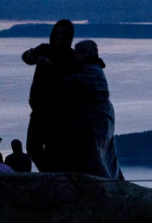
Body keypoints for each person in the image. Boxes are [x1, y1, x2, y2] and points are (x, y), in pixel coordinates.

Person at [60, 40, 122, 179]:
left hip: (98, 116)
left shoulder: (92, 70)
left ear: (86, 54)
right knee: (107, 154)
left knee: (93, 152)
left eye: (78, 53)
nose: (75, 56)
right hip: (100, 115)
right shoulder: (90, 69)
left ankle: (107, 185)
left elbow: (76, 84)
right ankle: (114, 182)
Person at [22, 19, 75, 171]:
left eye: (63, 33)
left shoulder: (71, 56)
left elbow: (71, 76)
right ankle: (49, 174)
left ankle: (53, 176)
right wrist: (32, 56)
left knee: (54, 148)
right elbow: (26, 57)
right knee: (32, 147)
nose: (59, 36)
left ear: (68, 36)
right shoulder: (44, 48)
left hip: (59, 110)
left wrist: (52, 67)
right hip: (38, 108)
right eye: (57, 32)